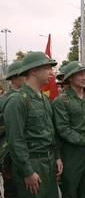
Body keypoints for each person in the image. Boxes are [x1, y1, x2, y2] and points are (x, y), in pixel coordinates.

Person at [3, 51, 62, 198]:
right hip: (31, 163)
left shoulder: (44, 99)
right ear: (34, 70)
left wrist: (57, 157)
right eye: (47, 68)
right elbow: (15, 141)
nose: (51, 71)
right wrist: (27, 171)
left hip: (48, 161)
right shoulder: (17, 101)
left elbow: (51, 132)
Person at [52, 61, 85, 198]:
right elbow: (63, 130)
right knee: (70, 191)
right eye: (79, 74)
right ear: (70, 78)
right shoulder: (61, 101)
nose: (84, 77)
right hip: (71, 154)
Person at [0, 61, 26, 198]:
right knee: (12, 191)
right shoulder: (4, 100)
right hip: (8, 155)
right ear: (14, 79)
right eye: (23, 75)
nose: (27, 77)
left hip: (26, 154)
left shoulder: (27, 97)